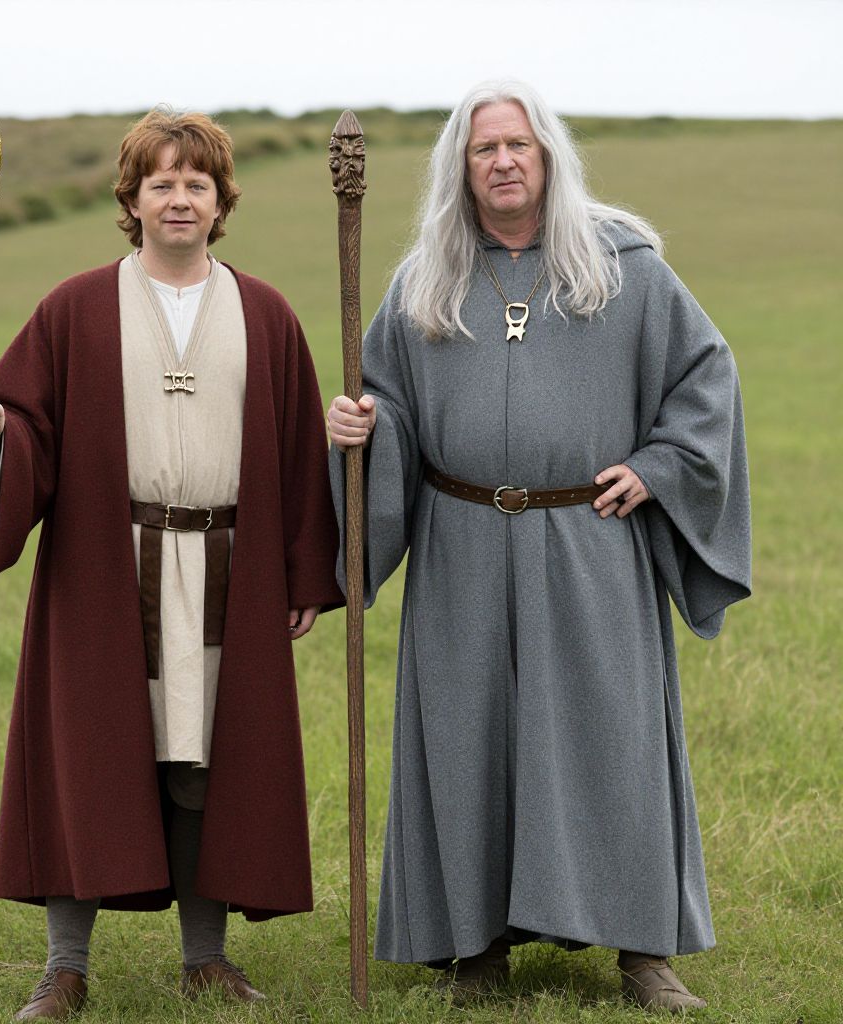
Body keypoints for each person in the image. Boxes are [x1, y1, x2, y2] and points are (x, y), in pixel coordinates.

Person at [326, 80, 750, 1013]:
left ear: (548, 154)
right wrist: (363, 429)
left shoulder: (622, 266)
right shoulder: (425, 281)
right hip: (462, 543)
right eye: (485, 149)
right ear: (461, 167)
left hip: (592, 540)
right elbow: (387, 401)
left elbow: (706, 378)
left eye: (518, 144)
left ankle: (643, 951)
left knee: (613, 739)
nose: (504, 161)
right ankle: (474, 946)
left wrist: (662, 467)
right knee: (466, 738)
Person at [0, 109, 341, 1020]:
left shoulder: (265, 313)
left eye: (197, 184)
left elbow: (295, 450)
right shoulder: (76, 308)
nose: (179, 199)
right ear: (131, 200)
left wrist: (299, 573)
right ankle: (64, 968)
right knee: (88, 758)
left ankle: (207, 958)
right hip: (103, 568)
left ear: (221, 202)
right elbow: (25, 423)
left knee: (206, 761)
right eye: (160, 183)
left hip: (227, 570)